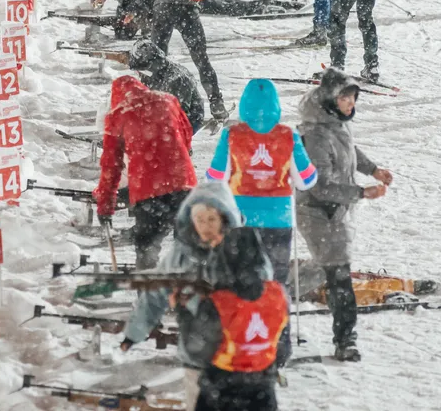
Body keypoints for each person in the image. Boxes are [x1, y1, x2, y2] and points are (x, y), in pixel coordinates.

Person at [296, 67, 393, 362]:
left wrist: (372, 168)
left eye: (353, 99)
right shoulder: (315, 134)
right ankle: (345, 340)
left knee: (324, 267)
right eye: (346, 99)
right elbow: (321, 187)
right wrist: (362, 193)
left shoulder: (334, 121)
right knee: (339, 276)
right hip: (318, 213)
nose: (351, 105)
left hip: (336, 211)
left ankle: (277, 288)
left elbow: (349, 148)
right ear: (329, 99)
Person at [121, 182, 245, 410]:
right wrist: (134, 333)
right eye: (200, 220)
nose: (205, 226)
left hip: (237, 349)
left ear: (225, 219)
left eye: (211, 220)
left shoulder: (244, 250)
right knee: (198, 400)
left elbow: (265, 296)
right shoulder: (181, 255)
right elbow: (154, 295)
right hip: (195, 348)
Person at [205, 79, 318, 285]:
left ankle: (244, 315)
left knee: (240, 281)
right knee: (274, 283)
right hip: (278, 218)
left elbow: (214, 177)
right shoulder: (288, 136)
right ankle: (275, 315)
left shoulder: (231, 135)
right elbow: (307, 179)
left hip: (240, 218)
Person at [94, 75, 197, 269]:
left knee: (147, 249)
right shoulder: (168, 100)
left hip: (148, 192)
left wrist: (105, 205)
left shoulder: (118, 114)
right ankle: (188, 289)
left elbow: (111, 166)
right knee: (188, 247)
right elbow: (186, 132)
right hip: (184, 185)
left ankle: (149, 291)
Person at [183, 227, 290, 411]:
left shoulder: (217, 301)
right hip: (263, 389)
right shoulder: (277, 294)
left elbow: (197, 351)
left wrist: (186, 314)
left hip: (221, 390)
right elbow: (283, 350)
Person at [128, 39, 207, 134]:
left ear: (150, 66)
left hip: (187, 119)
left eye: (140, 71)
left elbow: (176, 115)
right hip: (161, 112)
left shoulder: (177, 80)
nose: (139, 74)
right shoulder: (153, 74)